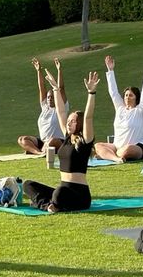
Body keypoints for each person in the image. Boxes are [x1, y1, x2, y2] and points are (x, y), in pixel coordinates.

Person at [22, 68, 99, 213]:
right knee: (28, 185)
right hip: (63, 189)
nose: (68, 123)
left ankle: (50, 204)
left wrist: (91, 93)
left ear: (80, 124)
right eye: (68, 121)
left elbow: (88, 116)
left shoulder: (85, 140)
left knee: (59, 193)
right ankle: (49, 206)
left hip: (79, 194)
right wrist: (55, 89)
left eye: (73, 121)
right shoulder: (67, 137)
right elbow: (61, 111)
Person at [94, 54, 143, 162]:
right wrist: (110, 71)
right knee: (97, 146)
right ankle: (116, 158)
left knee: (127, 149)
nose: (127, 97)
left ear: (136, 98)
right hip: (117, 146)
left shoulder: (140, 110)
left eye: (131, 95)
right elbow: (113, 93)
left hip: (137, 147)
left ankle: (108, 155)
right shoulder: (120, 108)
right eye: (126, 95)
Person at [17, 57, 68, 156]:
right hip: (43, 142)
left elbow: (61, 88)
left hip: (58, 142)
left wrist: (59, 70)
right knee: (22, 139)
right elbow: (41, 88)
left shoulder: (62, 107)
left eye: (52, 97)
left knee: (53, 141)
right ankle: (38, 152)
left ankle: (40, 150)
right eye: (48, 97)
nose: (49, 99)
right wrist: (38, 70)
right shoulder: (45, 107)